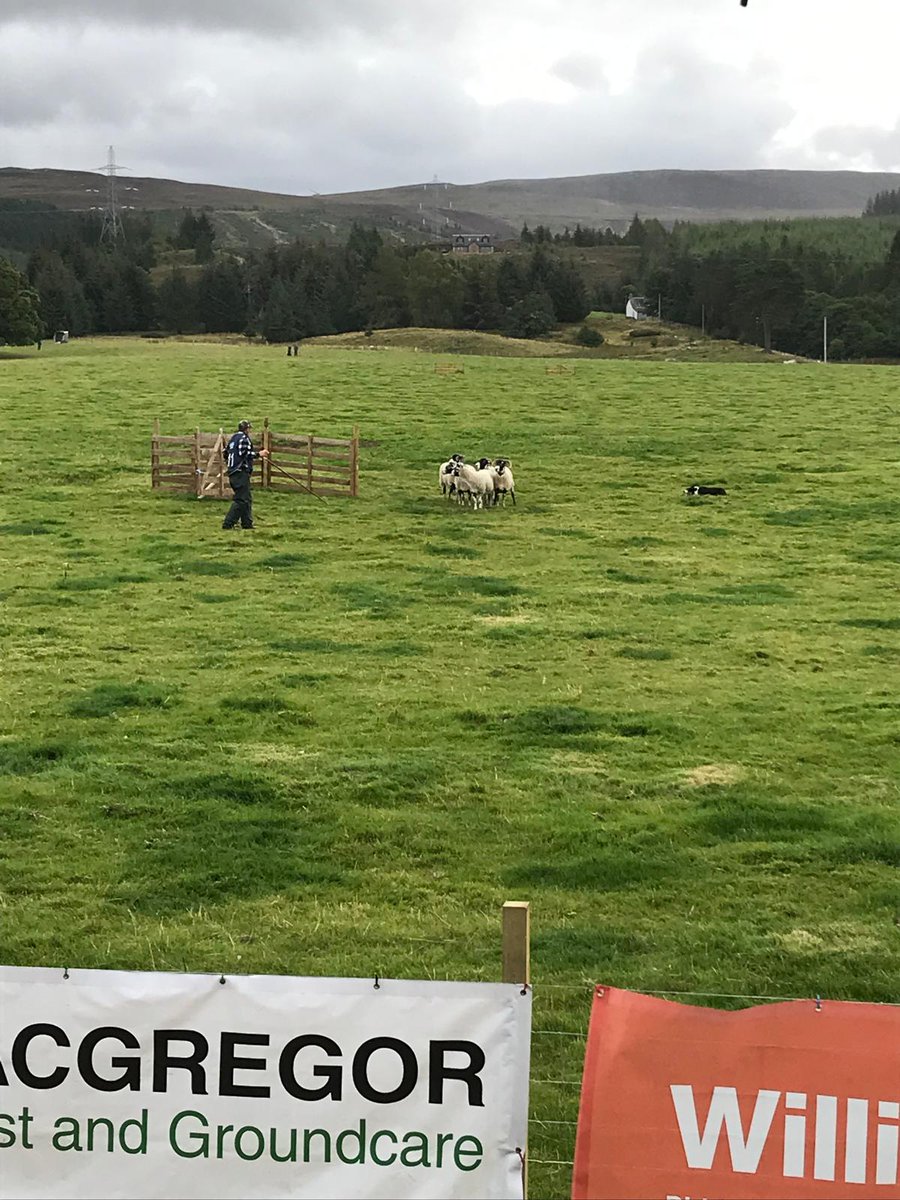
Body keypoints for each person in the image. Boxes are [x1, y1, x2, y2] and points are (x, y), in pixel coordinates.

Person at [222, 420, 268, 530]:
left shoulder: (233, 438)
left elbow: (225, 453)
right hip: (240, 472)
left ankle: (247, 524)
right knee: (241, 500)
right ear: (247, 429)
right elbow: (245, 453)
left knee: (246, 498)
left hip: (233, 472)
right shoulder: (244, 438)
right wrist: (259, 454)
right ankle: (228, 524)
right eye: (249, 429)